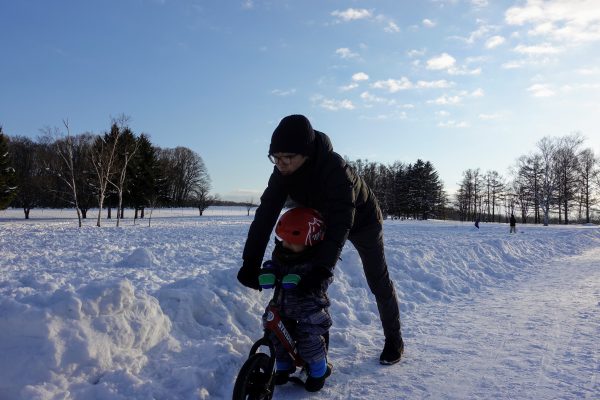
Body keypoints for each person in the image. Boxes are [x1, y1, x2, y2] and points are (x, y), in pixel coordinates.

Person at [237, 114, 403, 365]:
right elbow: (266, 214)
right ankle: (304, 347)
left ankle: (394, 339)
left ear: (305, 154)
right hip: (321, 221)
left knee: (377, 280)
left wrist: (324, 267)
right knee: (297, 274)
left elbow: (342, 221)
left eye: (287, 158)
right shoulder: (282, 172)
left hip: (362, 221)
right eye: (275, 158)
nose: (280, 164)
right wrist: (250, 262)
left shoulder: (335, 169)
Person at [259, 207, 333, 392]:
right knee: (276, 334)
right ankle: (283, 368)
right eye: (285, 241)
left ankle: (318, 372)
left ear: (311, 241)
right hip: (282, 304)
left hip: (310, 309)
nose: (287, 245)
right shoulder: (281, 252)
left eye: (294, 242)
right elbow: (273, 265)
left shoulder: (317, 260)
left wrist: (304, 280)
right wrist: (268, 271)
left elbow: (324, 278)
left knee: (308, 339)